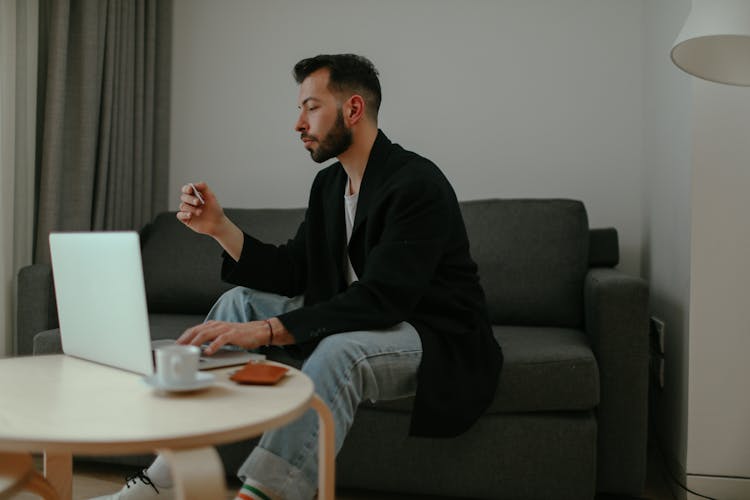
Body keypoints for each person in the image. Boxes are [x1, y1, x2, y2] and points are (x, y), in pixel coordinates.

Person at [94, 53, 503, 500]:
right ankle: (166, 475)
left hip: (430, 333)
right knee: (238, 304)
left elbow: (383, 299)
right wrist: (219, 227)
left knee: (340, 347)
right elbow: (293, 270)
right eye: (300, 109)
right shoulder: (329, 186)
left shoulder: (416, 184)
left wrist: (269, 330)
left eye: (311, 107)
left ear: (352, 109)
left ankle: (262, 494)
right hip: (361, 319)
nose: (298, 123)